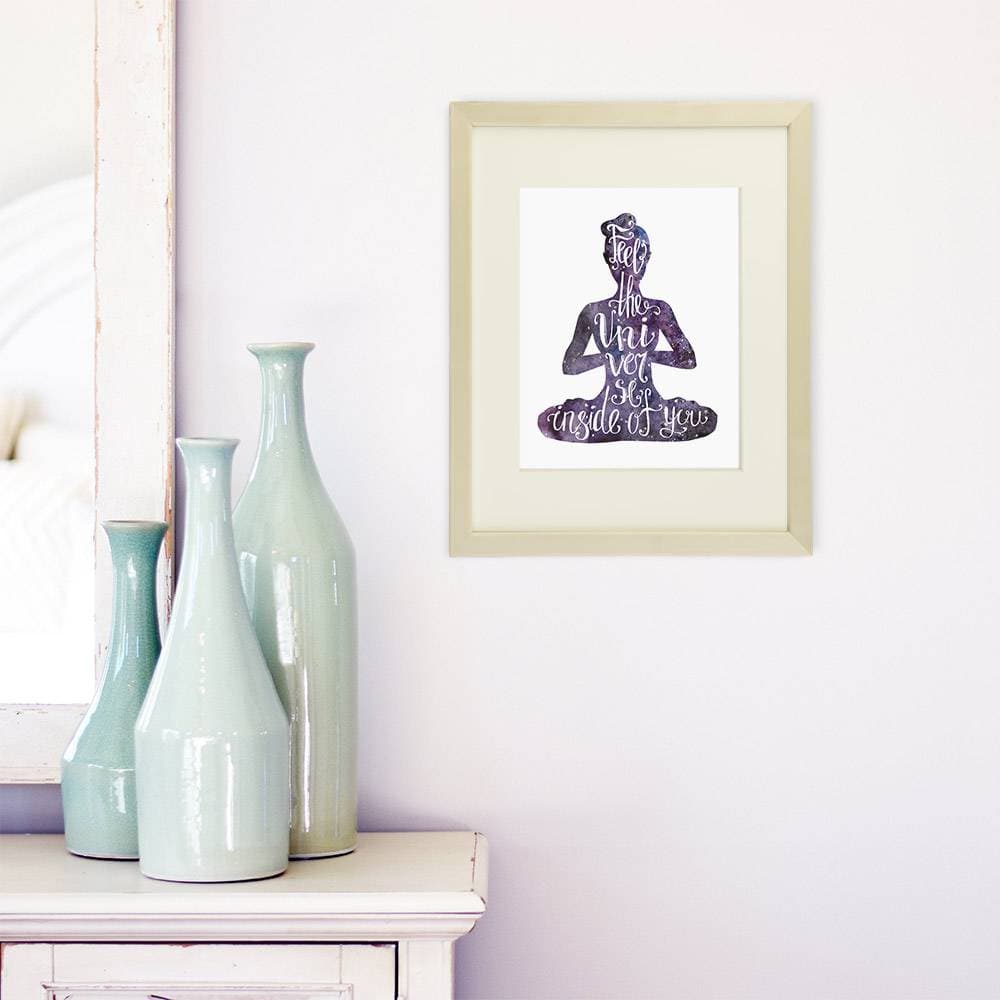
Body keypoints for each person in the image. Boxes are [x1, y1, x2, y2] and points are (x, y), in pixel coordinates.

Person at [537, 213, 717, 444]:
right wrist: (612, 355)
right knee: (554, 421)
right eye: (619, 257)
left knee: (701, 419)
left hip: (650, 412)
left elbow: (687, 360)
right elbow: (570, 366)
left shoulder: (658, 310)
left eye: (636, 255)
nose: (628, 265)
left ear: (647, 257)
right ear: (608, 259)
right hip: (606, 413)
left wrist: (645, 355)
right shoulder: (594, 311)